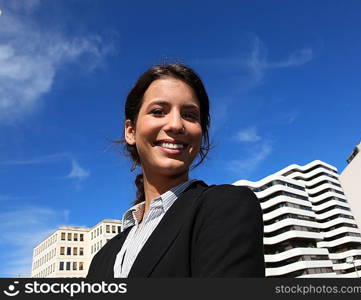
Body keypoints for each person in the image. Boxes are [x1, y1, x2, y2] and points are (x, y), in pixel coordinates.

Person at [87, 63, 265, 278]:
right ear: (131, 131)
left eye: (190, 115)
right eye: (158, 111)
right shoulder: (103, 258)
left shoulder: (224, 206)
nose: (175, 124)